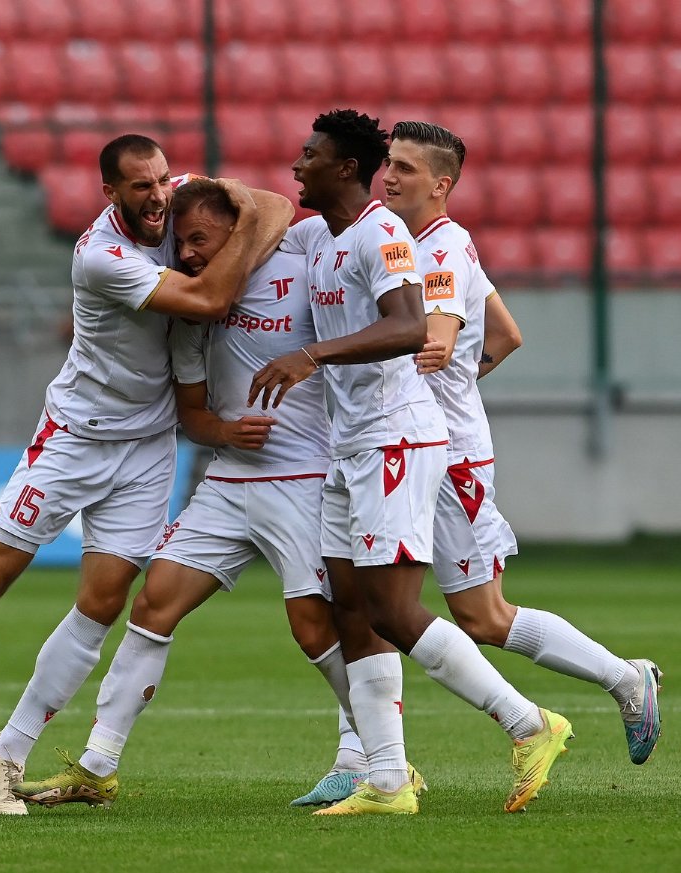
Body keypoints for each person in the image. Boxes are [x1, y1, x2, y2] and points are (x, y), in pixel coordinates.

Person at [0, 135, 294, 817]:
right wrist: (244, 221)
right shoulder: (102, 256)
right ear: (111, 193)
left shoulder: (180, 203)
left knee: (102, 604)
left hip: (148, 447)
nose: (158, 196)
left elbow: (278, 205)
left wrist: (241, 211)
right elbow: (209, 297)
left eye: (163, 179)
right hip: (75, 437)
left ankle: (8, 751)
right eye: (141, 186)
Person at [9, 176, 388, 810]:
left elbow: (288, 219)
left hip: (303, 476)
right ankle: (99, 765)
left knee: (313, 626)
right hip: (229, 479)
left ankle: (380, 757)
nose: (185, 253)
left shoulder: (303, 262)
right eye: (180, 243)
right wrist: (226, 431)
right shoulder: (192, 311)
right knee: (154, 603)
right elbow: (192, 415)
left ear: (235, 230)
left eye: (198, 239)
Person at [250, 109, 571, 816]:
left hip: (397, 440)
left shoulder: (383, 234)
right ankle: (389, 781)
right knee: (350, 609)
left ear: (344, 168)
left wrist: (310, 355)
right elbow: (262, 217)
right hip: (349, 446)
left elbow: (408, 326)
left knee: (394, 610)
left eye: (310, 155)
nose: (297, 165)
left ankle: (530, 723)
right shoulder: (319, 236)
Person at [384, 120, 662, 766]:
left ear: (441, 185)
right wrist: (458, 381)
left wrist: (432, 370)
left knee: (481, 615)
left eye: (404, 167)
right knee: (377, 600)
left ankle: (623, 679)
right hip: (420, 444)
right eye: (388, 163)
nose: (388, 176)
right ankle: (374, 761)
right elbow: (506, 334)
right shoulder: (427, 242)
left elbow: (441, 340)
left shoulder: (440, 251)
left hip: (446, 456)